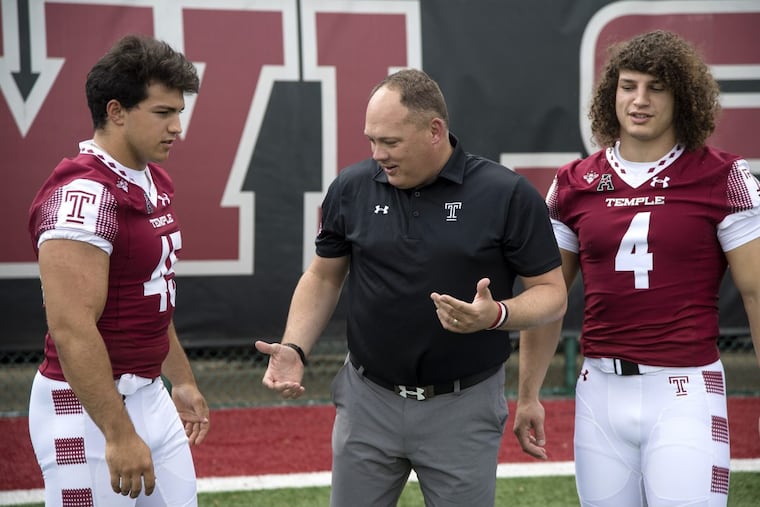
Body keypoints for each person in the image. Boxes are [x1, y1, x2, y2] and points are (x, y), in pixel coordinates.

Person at [254, 68, 566, 506]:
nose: (378, 153)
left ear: (435, 131)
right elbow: (323, 276)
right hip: (367, 401)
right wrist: (295, 347)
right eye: (371, 140)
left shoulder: (505, 194)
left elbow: (553, 293)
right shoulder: (351, 187)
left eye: (391, 142)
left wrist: (497, 316)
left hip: (463, 405)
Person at [513, 30, 760, 507]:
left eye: (656, 87)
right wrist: (528, 394)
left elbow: (755, 292)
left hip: (684, 389)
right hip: (599, 388)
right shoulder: (573, 184)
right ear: (611, 94)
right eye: (628, 86)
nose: (639, 100)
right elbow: (548, 296)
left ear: (682, 96)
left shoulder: (723, 177)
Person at [27, 34, 210, 506]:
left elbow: (150, 296)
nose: (177, 128)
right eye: (163, 113)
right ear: (117, 111)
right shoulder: (82, 197)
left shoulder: (151, 177)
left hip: (149, 392)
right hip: (85, 404)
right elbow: (71, 330)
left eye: (179, 113)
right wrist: (118, 432)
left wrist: (182, 379)